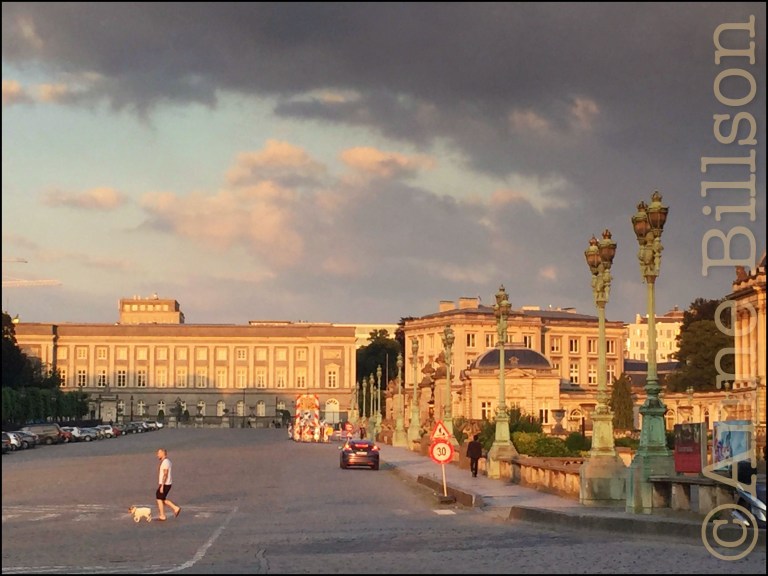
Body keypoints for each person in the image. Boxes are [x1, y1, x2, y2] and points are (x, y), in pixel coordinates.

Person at [156, 448, 181, 521]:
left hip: (165, 484)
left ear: (162, 453)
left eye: (158, 453)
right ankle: (175, 508)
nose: (157, 455)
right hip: (166, 483)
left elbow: (165, 474)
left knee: (159, 498)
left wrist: (162, 486)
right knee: (162, 499)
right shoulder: (166, 461)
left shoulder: (165, 462)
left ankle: (162, 515)